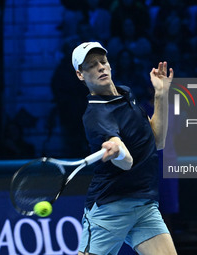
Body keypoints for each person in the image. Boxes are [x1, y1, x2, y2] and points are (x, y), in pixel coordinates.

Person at [71, 42, 177, 255]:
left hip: (144, 205)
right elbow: (126, 161)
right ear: (80, 75)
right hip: (111, 207)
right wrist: (118, 150)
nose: (100, 67)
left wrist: (161, 94)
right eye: (91, 65)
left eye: (103, 62)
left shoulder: (125, 94)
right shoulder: (95, 115)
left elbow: (157, 141)